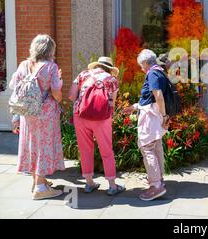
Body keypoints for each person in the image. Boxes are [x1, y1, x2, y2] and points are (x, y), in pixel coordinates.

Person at [9, 34, 65, 200]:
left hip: (28, 113)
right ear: (50, 50)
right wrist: (59, 82)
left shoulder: (24, 65)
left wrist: (15, 118)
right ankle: (40, 188)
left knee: (32, 145)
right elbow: (56, 94)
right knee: (43, 147)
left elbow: (14, 87)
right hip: (45, 114)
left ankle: (37, 181)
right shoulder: (51, 67)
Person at [69, 56, 125, 196]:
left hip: (80, 116)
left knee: (85, 149)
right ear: (110, 68)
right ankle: (112, 186)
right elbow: (112, 101)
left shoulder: (83, 74)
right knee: (106, 151)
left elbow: (71, 95)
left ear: (97, 65)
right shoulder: (112, 80)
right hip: (102, 118)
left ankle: (89, 183)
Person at [125, 49, 169, 201]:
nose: (141, 68)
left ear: (145, 62)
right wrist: (135, 106)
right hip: (155, 114)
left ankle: (156, 185)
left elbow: (158, 95)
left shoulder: (152, 73)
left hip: (151, 116)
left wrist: (164, 116)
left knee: (147, 148)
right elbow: (151, 97)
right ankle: (159, 179)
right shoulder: (160, 72)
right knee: (156, 146)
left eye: (141, 65)